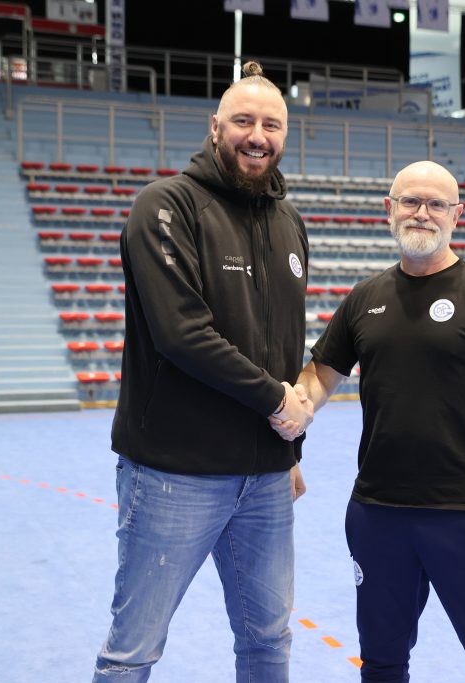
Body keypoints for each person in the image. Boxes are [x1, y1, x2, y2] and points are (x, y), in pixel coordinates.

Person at [273, 161, 465, 682]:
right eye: (410, 201)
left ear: (456, 215)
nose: (422, 213)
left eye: (436, 204)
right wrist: (287, 441)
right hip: (378, 515)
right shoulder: (365, 298)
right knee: (381, 664)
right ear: (390, 209)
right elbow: (316, 381)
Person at [93, 61, 314, 683]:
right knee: (132, 653)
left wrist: (289, 451)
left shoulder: (290, 222)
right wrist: (278, 403)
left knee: (268, 641)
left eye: (272, 124)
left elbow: (281, 344)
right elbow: (181, 334)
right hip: (175, 474)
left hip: (265, 479)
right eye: (243, 121)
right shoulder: (166, 206)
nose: (257, 136)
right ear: (215, 127)